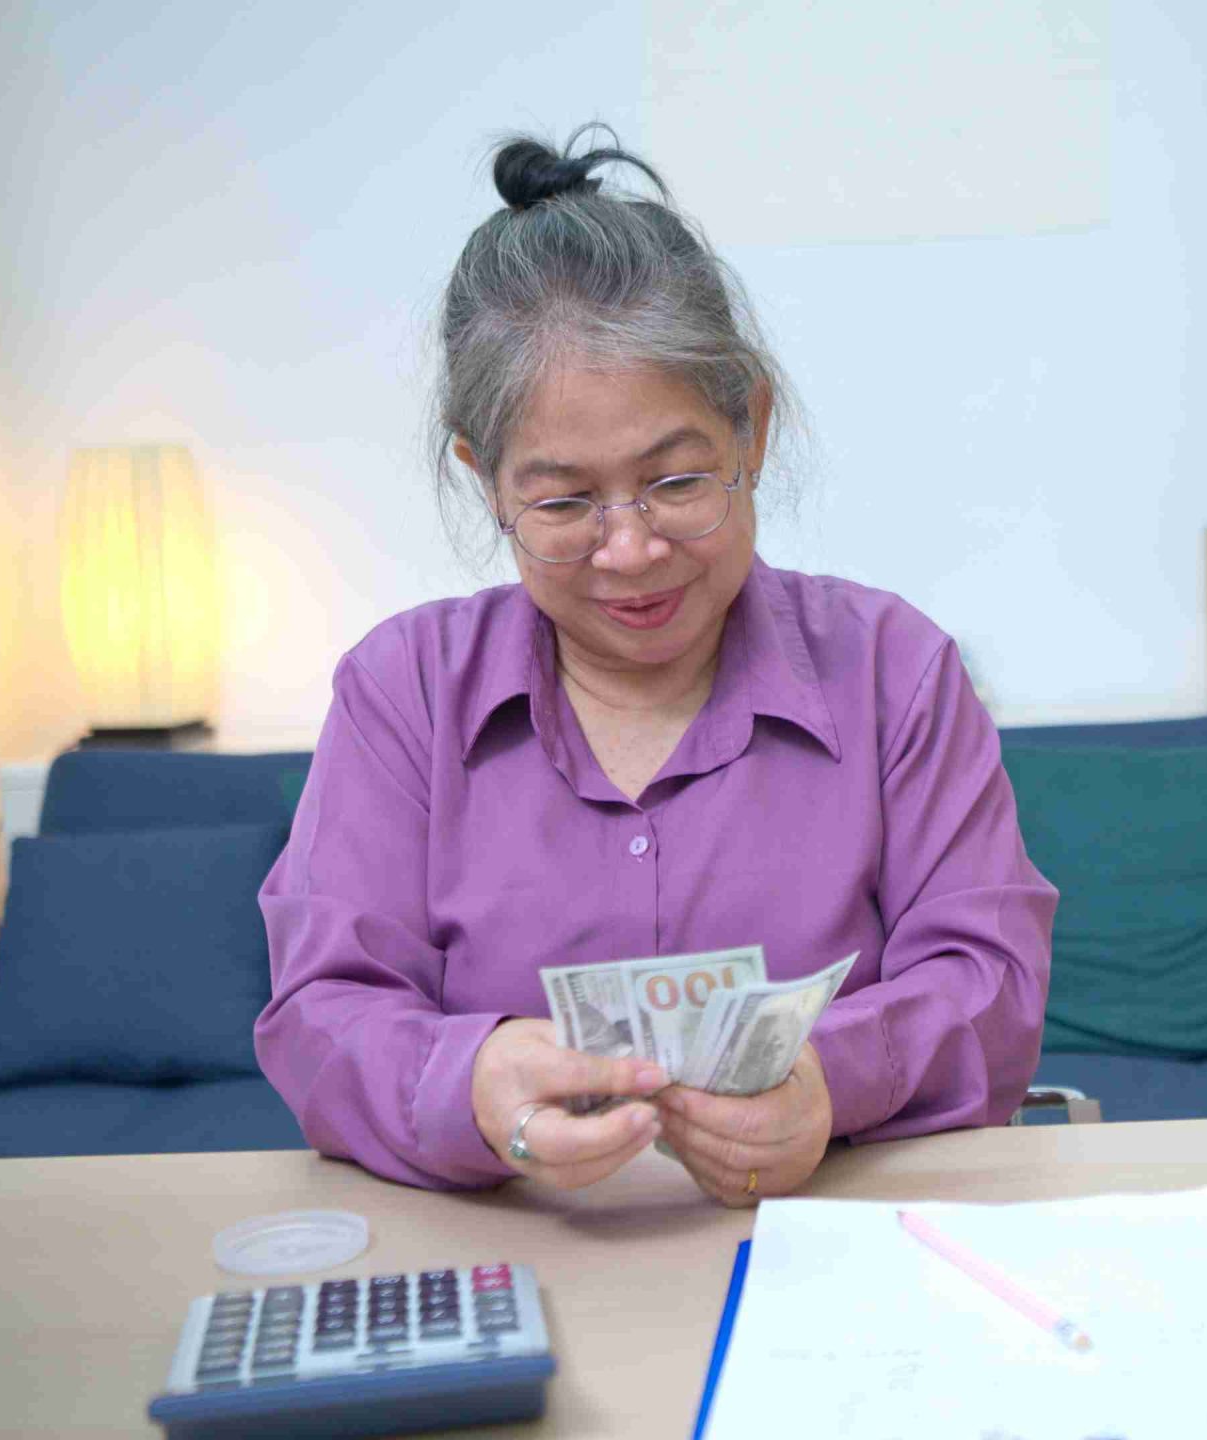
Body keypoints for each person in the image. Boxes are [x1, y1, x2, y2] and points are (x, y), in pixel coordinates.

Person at [255, 129, 1057, 1207]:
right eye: (562, 501)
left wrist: (830, 1081)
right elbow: (319, 1015)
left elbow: (989, 983)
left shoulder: (891, 670)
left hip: (833, 1258)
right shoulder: (404, 692)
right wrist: (473, 1080)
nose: (629, 550)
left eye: (676, 482)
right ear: (483, 481)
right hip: (516, 1259)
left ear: (751, 430)